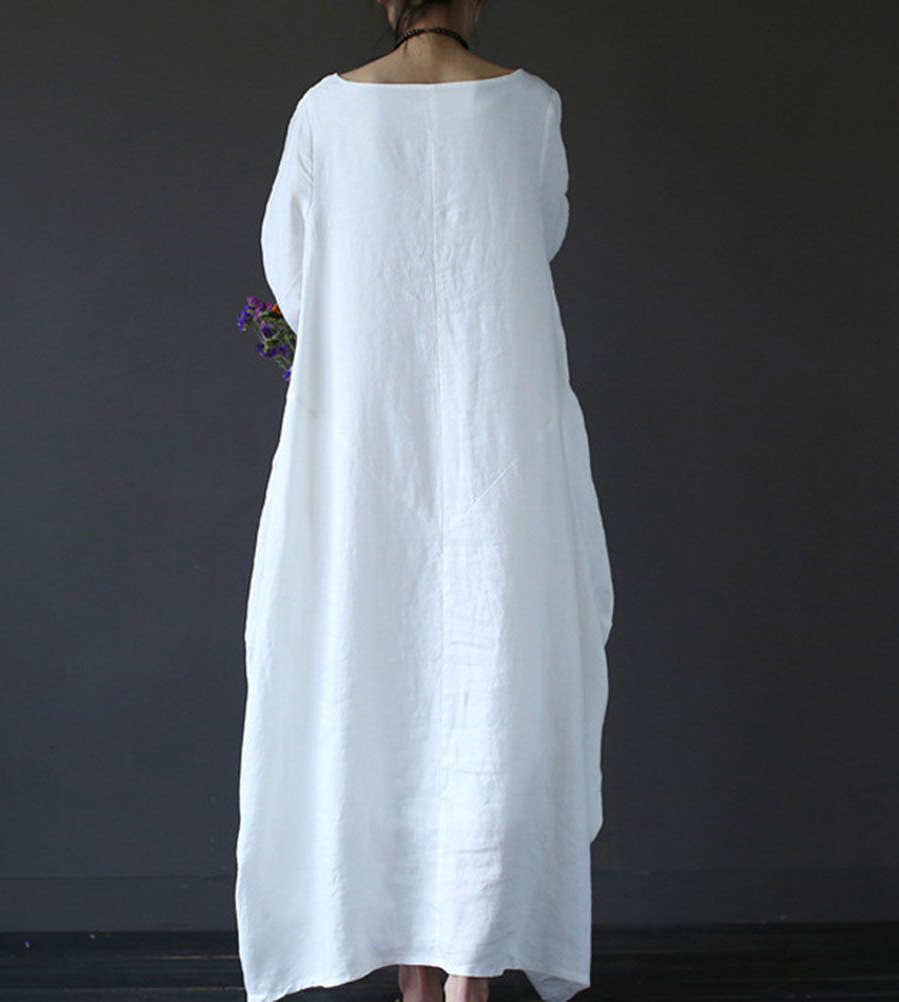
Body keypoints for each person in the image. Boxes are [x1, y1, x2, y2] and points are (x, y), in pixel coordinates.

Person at [235, 3, 614, 1002]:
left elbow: (290, 272)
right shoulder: (530, 107)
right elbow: (536, 237)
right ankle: (467, 969)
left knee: (377, 677)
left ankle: (417, 965)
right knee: (495, 670)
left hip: (370, 441)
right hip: (498, 434)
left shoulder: (327, 112)